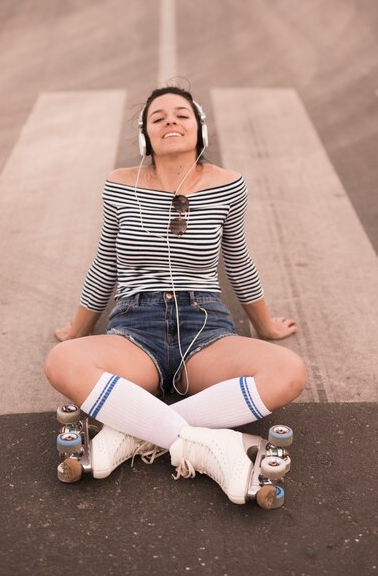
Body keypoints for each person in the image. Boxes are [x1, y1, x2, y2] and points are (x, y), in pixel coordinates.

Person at [44, 86, 307, 504]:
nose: (170, 121)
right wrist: (77, 329)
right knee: (62, 362)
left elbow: (238, 260)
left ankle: (132, 434)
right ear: (145, 135)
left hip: (206, 327)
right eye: (158, 117)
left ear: (199, 129)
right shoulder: (119, 183)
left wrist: (266, 326)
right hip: (134, 327)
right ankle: (211, 445)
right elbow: (105, 263)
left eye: (182, 115)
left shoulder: (228, 184)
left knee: (289, 372)